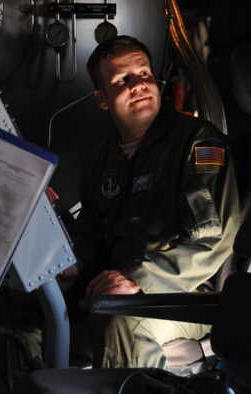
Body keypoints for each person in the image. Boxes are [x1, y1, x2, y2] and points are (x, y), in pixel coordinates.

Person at [69, 35, 240, 370]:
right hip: (117, 287)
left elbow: (213, 241)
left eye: (145, 74)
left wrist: (136, 279)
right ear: (102, 99)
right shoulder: (101, 159)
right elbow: (90, 236)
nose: (139, 85)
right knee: (21, 310)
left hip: (185, 296)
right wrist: (69, 267)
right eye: (123, 80)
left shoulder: (197, 143)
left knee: (122, 322)